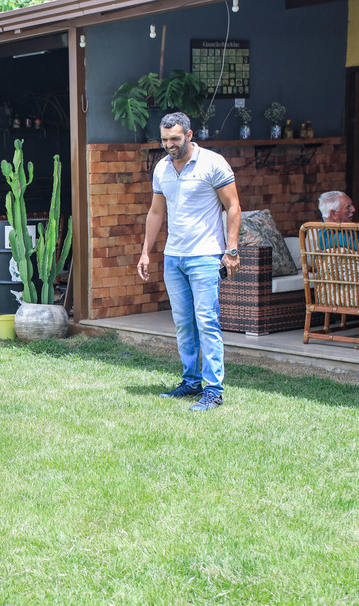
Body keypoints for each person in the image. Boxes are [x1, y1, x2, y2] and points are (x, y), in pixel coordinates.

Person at [137, 111, 242, 412]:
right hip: (174, 257)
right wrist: (146, 252)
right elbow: (156, 212)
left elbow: (233, 206)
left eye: (175, 138)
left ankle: (213, 391)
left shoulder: (213, 163)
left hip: (206, 256)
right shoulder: (162, 168)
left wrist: (231, 250)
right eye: (165, 139)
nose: (169, 144)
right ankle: (191, 381)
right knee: (183, 324)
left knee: (206, 322)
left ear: (189, 135)